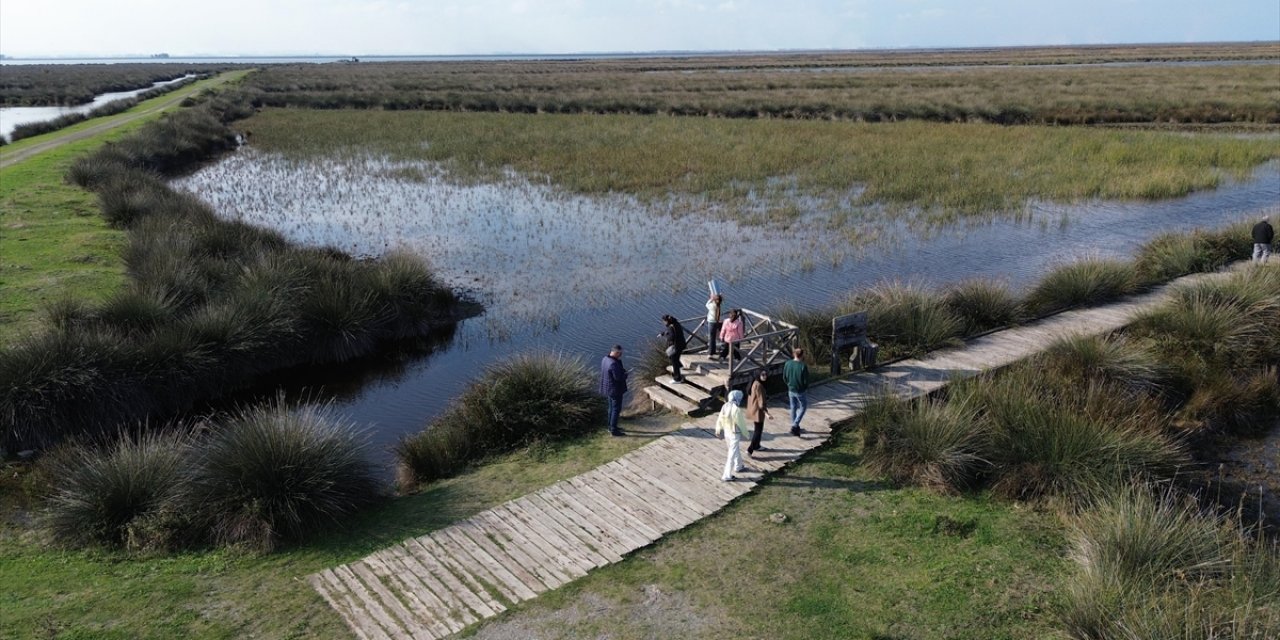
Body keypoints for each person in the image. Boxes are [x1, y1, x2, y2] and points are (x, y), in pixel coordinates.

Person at [715, 389, 750, 481]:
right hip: (734, 433)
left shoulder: (725, 406)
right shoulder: (736, 409)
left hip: (727, 432)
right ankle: (726, 475)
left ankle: (738, 466)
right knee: (731, 453)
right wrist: (746, 434)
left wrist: (718, 429)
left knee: (735, 450)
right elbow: (741, 423)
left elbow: (720, 418)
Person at [599, 345, 628, 436]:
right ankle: (614, 430)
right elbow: (618, 378)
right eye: (619, 353)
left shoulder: (605, 359)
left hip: (608, 389)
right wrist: (626, 375)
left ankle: (610, 426)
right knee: (616, 409)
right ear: (615, 352)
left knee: (610, 408)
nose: (620, 355)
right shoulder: (613, 363)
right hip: (615, 390)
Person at [783, 347, 809, 437]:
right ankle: (795, 425)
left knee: (793, 407)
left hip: (790, 389)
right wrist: (805, 388)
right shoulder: (803, 366)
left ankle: (795, 426)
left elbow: (784, 377)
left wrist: (789, 384)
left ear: (794, 354)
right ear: (802, 355)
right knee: (803, 407)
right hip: (800, 390)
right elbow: (806, 381)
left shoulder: (787, 363)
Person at [746, 369, 771, 457]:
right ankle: (750, 449)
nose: (765, 376)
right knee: (758, 431)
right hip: (758, 412)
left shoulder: (754, 382)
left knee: (758, 429)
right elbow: (761, 402)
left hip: (753, 410)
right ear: (758, 375)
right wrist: (767, 414)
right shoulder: (759, 385)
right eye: (763, 374)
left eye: (765, 374)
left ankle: (757, 446)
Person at [659, 314, 688, 383]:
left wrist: (666, 337)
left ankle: (677, 378)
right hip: (682, 344)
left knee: (674, 360)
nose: (663, 323)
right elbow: (671, 332)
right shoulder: (676, 324)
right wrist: (663, 333)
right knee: (676, 358)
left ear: (666, 321)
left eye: (663, 321)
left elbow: (671, 336)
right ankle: (680, 366)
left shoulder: (670, 327)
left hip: (676, 346)